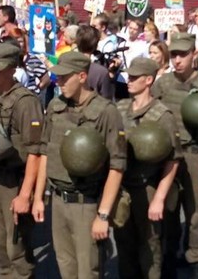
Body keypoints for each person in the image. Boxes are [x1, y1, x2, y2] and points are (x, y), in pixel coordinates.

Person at [31, 50, 127, 279]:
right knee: (65, 267)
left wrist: (103, 216)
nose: (59, 81)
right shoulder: (55, 107)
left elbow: (117, 165)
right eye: (57, 77)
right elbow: (45, 151)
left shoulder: (106, 112)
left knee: (88, 271)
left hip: (87, 202)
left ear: (82, 77)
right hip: (58, 200)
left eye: (65, 77)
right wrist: (38, 197)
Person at [152, 32, 198, 278]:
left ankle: (196, 261)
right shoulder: (162, 84)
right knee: (169, 214)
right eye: (174, 55)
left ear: (194, 54)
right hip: (168, 157)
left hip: (195, 157)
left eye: (183, 54)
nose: (178, 60)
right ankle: (169, 260)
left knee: (196, 215)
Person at [0, 43, 44, 278]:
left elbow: (35, 152)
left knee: (17, 246)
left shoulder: (25, 102)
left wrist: (25, 194)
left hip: (15, 180)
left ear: (12, 69)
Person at [114, 57, 181, 279]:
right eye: (129, 76)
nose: (129, 80)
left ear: (149, 80)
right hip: (122, 188)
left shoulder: (162, 115)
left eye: (134, 77)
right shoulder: (120, 108)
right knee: (124, 244)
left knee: (150, 247)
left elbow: (173, 159)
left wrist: (159, 198)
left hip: (147, 187)